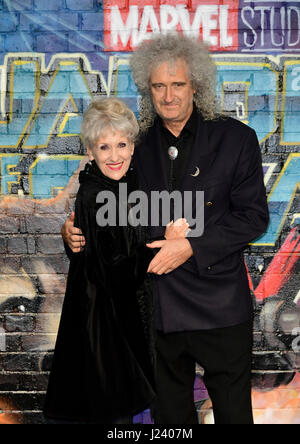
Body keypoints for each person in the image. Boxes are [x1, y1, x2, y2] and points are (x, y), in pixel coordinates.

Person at [62, 35, 270, 424]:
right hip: (158, 311)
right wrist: (73, 229)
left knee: (234, 415)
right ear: (148, 89)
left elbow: (253, 217)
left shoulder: (236, 138)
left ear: (195, 85)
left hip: (220, 307)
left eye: (178, 84)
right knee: (172, 422)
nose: (169, 95)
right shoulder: (133, 144)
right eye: (159, 86)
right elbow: (102, 197)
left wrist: (191, 247)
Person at [43, 97, 189, 424]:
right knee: (112, 416)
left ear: (133, 146)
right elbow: (118, 271)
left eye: (121, 144)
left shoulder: (123, 184)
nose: (114, 156)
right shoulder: (99, 196)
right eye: (104, 147)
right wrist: (169, 243)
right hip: (104, 329)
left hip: (116, 321)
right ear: (91, 151)